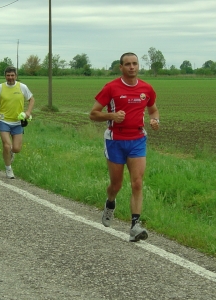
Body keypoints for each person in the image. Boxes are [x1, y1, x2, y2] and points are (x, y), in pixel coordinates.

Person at [89, 52, 160, 242]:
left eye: (135, 63)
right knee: (116, 185)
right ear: (121, 67)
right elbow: (93, 114)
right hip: (115, 140)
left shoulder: (146, 88)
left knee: (137, 182)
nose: (132, 67)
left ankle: (135, 225)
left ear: (138, 66)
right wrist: (112, 116)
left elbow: (153, 109)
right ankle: (110, 203)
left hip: (137, 139)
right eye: (127, 64)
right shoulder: (111, 87)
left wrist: (155, 120)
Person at [0, 66, 35, 179]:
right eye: (8, 75)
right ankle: (8, 169)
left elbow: (31, 99)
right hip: (4, 120)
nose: (10, 78)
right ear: (5, 76)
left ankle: (11, 153)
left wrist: (28, 112)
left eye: (12, 75)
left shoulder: (22, 87)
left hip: (17, 122)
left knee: (16, 148)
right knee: (6, 145)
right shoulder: (0, 87)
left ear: (16, 76)